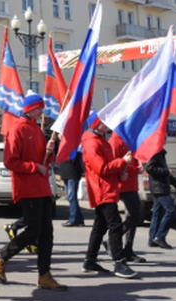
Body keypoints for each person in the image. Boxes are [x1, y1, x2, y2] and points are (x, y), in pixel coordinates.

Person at [0, 93, 66, 291]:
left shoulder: (36, 129)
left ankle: (44, 275)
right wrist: (35, 167)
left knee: (47, 234)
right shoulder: (17, 130)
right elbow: (10, 161)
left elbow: (44, 160)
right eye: (39, 108)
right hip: (28, 188)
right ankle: (1, 256)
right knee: (34, 230)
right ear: (30, 109)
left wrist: (49, 151)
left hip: (41, 188)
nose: (42, 111)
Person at [81, 113, 137, 279]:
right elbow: (101, 168)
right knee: (115, 224)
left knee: (100, 226)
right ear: (96, 124)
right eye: (102, 122)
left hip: (107, 188)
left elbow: (108, 168)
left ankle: (90, 260)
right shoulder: (92, 143)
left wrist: (121, 174)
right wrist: (123, 162)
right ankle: (119, 262)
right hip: (102, 190)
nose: (106, 124)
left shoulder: (101, 141)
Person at [110, 132, 144, 263]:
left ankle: (128, 249)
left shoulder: (128, 140)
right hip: (123, 185)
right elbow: (117, 164)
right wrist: (136, 169)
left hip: (131, 185)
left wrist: (140, 162)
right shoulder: (115, 142)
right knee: (134, 216)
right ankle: (115, 239)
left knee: (134, 217)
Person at [145, 149, 176, 249]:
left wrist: (175, 183)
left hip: (160, 187)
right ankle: (160, 237)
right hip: (159, 188)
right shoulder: (155, 153)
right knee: (170, 211)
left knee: (157, 214)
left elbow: (166, 172)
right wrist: (165, 171)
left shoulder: (160, 154)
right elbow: (149, 168)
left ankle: (152, 239)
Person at [58, 150, 85, 227]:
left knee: (72, 196)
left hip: (73, 173)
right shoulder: (63, 145)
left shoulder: (74, 145)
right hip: (65, 172)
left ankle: (73, 219)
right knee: (70, 197)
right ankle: (79, 219)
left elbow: (76, 157)